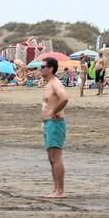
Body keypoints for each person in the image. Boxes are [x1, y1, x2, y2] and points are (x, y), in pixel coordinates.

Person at [40, 57, 69, 198]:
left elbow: (64, 98)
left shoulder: (55, 83)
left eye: (43, 66)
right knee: (51, 158)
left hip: (55, 124)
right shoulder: (48, 83)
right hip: (48, 124)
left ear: (50, 68)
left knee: (56, 157)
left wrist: (54, 112)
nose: (40, 69)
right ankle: (56, 188)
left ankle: (60, 190)